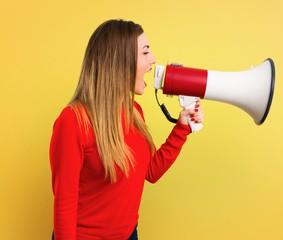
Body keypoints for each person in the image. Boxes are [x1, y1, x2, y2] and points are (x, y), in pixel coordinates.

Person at [49, 19, 203, 240]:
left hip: (129, 234)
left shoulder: (134, 112)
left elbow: (150, 172)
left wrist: (181, 128)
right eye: (145, 52)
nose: (153, 60)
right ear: (119, 61)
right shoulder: (73, 120)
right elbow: (64, 203)